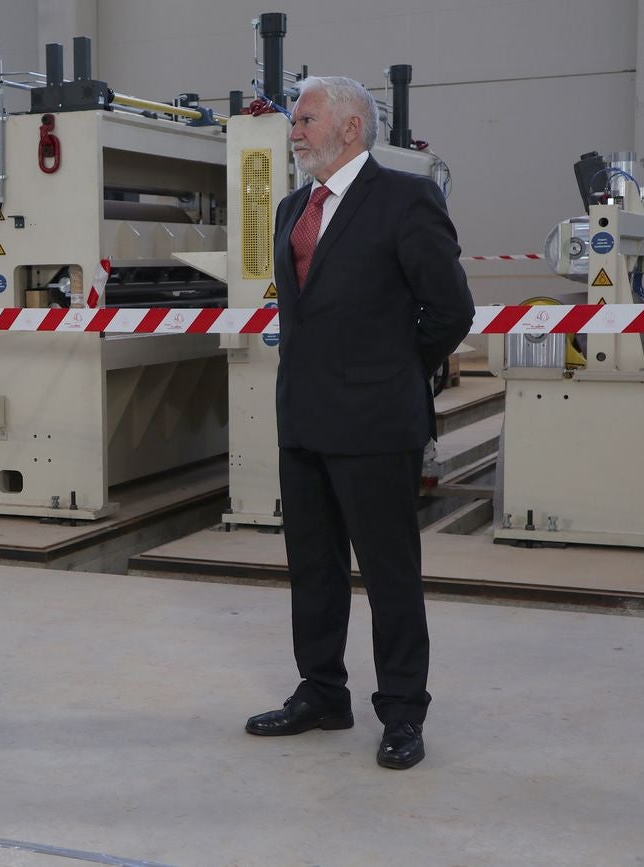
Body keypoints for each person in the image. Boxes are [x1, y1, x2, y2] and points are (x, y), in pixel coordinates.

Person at [244, 76, 474, 769]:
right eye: (295, 121)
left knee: (389, 573)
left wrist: (399, 371)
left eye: (306, 119)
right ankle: (323, 692)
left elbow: (450, 309)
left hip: (377, 423)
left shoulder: (405, 198)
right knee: (312, 570)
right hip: (304, 420)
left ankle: (402, 710)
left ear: (349, 127)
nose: (295, 131)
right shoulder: (292, 208)